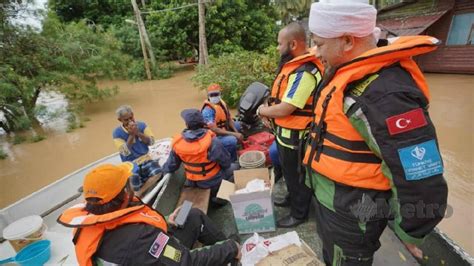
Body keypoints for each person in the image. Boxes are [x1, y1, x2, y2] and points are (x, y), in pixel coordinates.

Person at [304, 1, 448, 265]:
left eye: (320, 44)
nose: (315, 52)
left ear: (347, 41)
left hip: (354, 211)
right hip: (332, 199)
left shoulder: (384, 95)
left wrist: (411, 232)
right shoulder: (345, 73)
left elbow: (420, 172)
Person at [57, 163, 240, 265]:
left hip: (140, 257)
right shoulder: (140, 237)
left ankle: (227, 248)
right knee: (220, 247)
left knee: (191, 215)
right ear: (123, 193)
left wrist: (167, 220)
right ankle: (233, 249)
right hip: (156, 256)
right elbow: (185, 262)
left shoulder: (86, 225)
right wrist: (230, 248)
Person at [257, 22, 324, 228]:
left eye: (279, 44)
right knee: (288, 173)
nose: (277, 48)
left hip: (298, 139)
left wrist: (262, 110)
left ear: (293, 44)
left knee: (297, 177)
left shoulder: (305, 72)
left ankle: (299, 214)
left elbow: (286, 108)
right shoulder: (294, 68)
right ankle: (291, 198)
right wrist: (269, 109)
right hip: (285, 135)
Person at [163, 109, 236, 197]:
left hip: (192, 181)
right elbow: (226, 163)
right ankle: (219, 198)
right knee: (235, 166)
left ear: (187, 125)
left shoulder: (177, 143)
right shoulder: (212, 141)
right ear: (203, 123)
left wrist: (162, 172)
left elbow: (171, 166)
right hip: (211, 181)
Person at [112, 105, 161, 187]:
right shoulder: (117, 133)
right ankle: (138, 191)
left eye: (131, 118)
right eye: (126, 120)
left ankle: (140, 192)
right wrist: (131, 135)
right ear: (120, 120)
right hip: (130, 164)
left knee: (158, 173)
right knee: (134, 183)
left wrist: (138, 133)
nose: (130, 121)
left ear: (133, 114)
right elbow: (125, 152)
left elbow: (151, 142)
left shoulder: (142, 125)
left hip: (145, 159)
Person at [202, 83, 243, 161]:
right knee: (232, 140)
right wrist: (234, 134)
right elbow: (214, 129)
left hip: (223, 128)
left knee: (239, 125)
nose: (214, 97)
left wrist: (236, 131)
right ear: (208, 96)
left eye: (216, 94)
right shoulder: (207, 110)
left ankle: (234, 143)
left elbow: (229, 119)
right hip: (214, 136)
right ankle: (232, 160)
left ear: (220, 94)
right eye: (212, 95)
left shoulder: (222, 103)